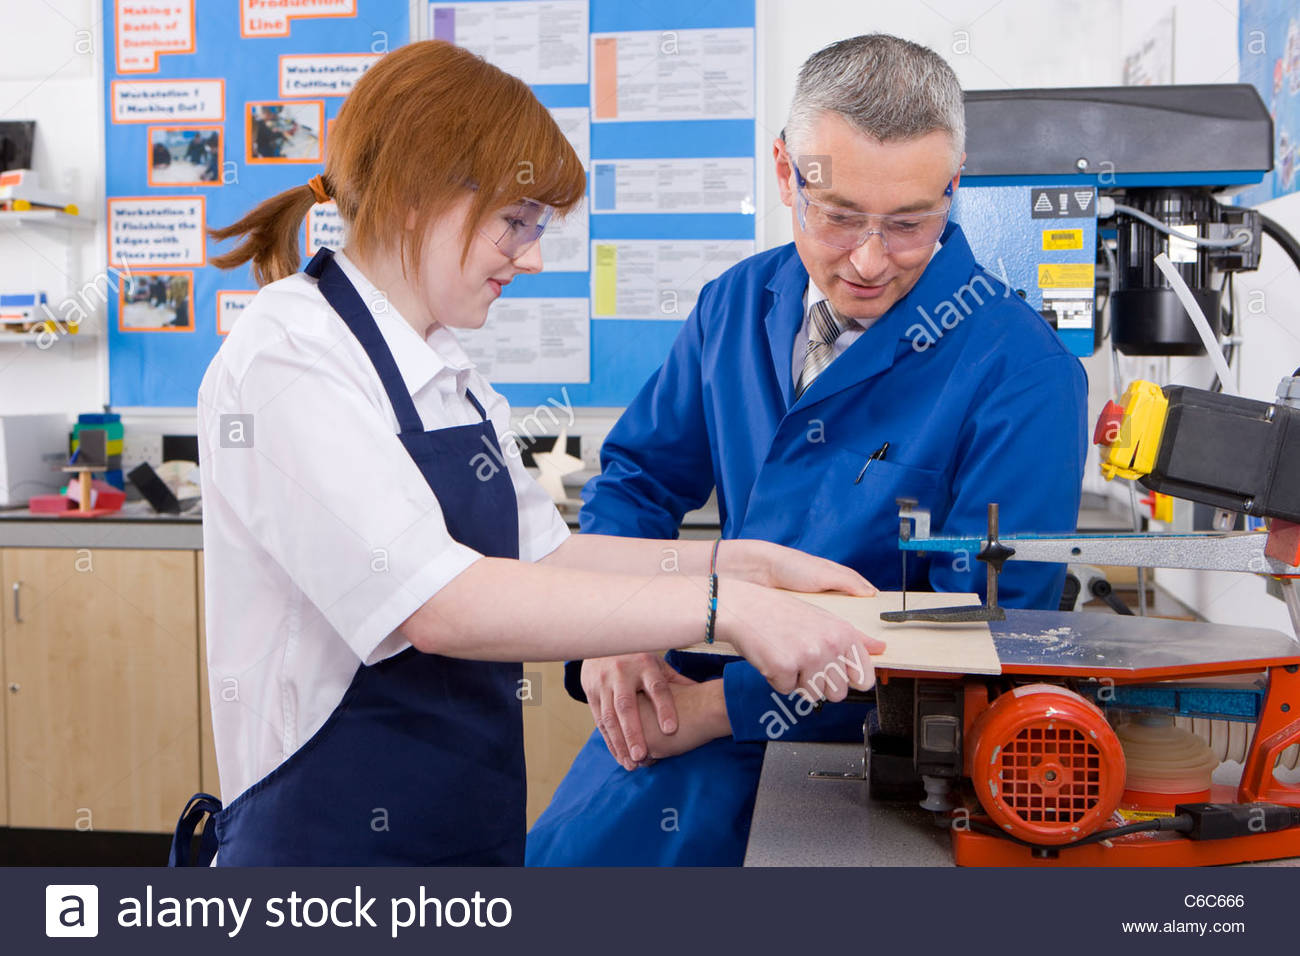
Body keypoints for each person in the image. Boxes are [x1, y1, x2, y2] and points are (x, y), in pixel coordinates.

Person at [167, 40, 885, 868]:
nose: (534, 256)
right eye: (517, 223)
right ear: (416, 196)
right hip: (325, 858)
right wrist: (730, 609)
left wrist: (755, 563)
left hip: (461, 834)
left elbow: (556, 559)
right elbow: (437, 606)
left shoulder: (451, 375)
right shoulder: (287, 354)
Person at [527, 34, 1088, 867]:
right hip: (657, 734)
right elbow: (639, 478)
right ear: (787, 172)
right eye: (838, 217)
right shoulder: (737, 303)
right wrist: (615, 629)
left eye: (908, 224)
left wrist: (721, 709)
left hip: (856, 769)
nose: (868, 260)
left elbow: (980, 631)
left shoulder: (1021, 371)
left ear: (953, 186)